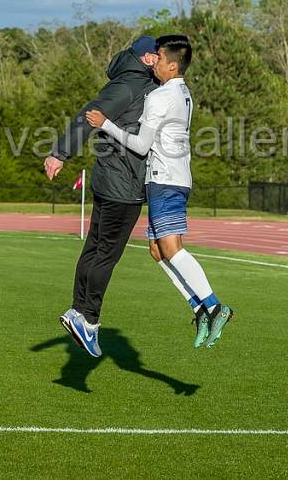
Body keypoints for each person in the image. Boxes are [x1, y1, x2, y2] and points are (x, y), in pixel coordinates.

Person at [87, 35, 233, 349]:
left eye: (160, 57)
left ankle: (215, 305)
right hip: (174, 178)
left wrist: (107, 124)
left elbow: (140, 145)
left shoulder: (160, 96)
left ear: (172, 64)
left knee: (171, 248)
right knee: (157, 251)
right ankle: (199, 309)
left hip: (165, 179)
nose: (155, 62)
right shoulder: (182, 92)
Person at [44, 36, 159, 358]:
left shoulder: (139, 82)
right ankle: (89, 319)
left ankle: (78, 312)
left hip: (114, 179)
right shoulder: (130, 85)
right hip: (121, 183)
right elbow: (88, 115)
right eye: (159, 55)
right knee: (106, 253)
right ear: (148, 58)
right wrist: (60, 154)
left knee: (95, 248)